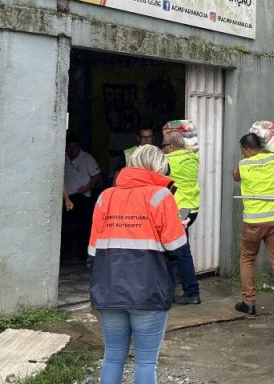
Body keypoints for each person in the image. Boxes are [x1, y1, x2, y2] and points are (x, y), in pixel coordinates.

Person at [88, 144, 189, 384]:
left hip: (108, 289)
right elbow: (176, 247)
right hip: (148, 291)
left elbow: (92, 252)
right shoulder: (160, 196)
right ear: (158, 166)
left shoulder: (106, 196)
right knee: (145, 361)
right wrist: (180, 227)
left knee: (112, 358)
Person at [232, 133, 274, 324]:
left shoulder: (242, 166)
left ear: (247, 149)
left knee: (246, 259)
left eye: (242, 150)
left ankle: (248, 302)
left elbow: (235, 176)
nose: (242, 154)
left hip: (253, 223)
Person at [162, 129, 201, 305]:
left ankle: (188, 293)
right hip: (191, 209)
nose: (161, 149)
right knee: (178, 251)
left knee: (176, 253)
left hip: (178, 211)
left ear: (170, 146)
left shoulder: (168, 161)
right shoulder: (193, 156)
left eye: (163, 146)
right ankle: (187, 291)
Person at [63, 133, 102, 262]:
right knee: (66, 227)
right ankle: (64, 255)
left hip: (82, 196)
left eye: (75, 147)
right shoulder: (63, 158)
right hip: (66, 197)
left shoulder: (87, 158)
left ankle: (83, 256)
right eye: (70, 147)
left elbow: (97, 175)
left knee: (83, 227)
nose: (72, 149)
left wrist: (87, 187)